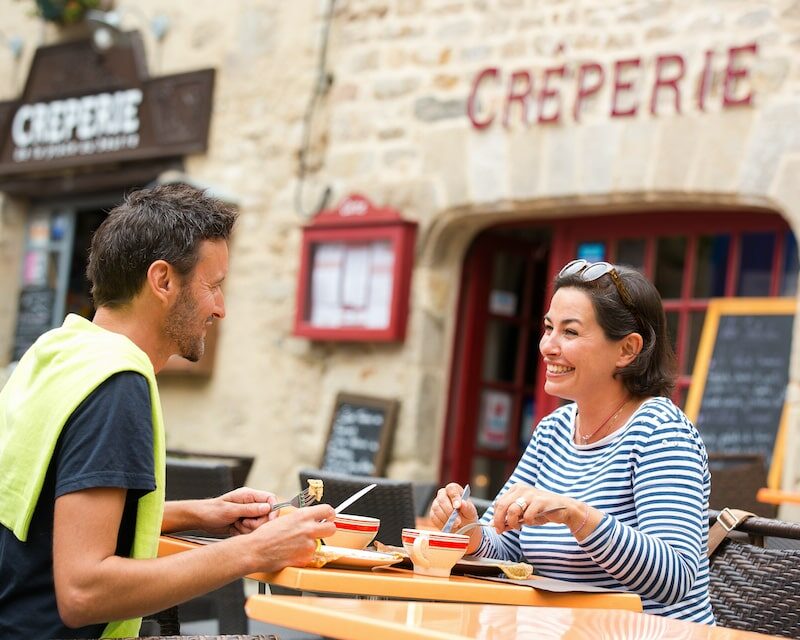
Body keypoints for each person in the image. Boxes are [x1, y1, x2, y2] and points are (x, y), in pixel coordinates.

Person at [0, 184, 336, 639]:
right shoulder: (117, 382)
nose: (221, 308)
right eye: (213, 286)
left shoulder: (56, 352)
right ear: (162, 281)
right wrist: (255, 550)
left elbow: (52, 518)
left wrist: (199, 513)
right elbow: (83, 591)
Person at [430, 259, 714, 624]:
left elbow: (674, 578)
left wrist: (578, 517)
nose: (548, 346)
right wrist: (468, 532)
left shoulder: (661, 432)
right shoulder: (554, 429)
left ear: (627, 350)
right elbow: (508, 547)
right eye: (548, 328)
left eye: (570, 332)